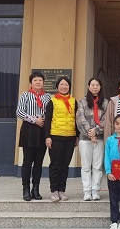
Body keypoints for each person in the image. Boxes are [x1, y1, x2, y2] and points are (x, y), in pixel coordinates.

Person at [16, 72, 52, 201]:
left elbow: (50, 112)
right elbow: (19, 111)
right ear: (31, 82)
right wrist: (34, 120)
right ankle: (26, 189)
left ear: (43, 82)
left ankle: (35, 189)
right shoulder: (25, 95)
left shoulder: (47, 97)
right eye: (35, 80)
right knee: (27, 161)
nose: (38, 82)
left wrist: (44, 120)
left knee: (38, 162)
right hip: (29, 129)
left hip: (42, 130)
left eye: (40, 80)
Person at [44, 76, 77, 202]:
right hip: (56, 136)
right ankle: (54, 191)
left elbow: (76, 120)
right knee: (55, 164)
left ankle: (62, 190)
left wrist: (77, 136)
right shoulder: (52, 102)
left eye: (66, 85)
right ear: (57, 86)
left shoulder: (74, 101)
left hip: (70, 137)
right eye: (62, 84)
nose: (64, 87)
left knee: (65, 165)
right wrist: (47, 137)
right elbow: (47, 120)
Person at [76, 77, 108, 201]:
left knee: (97, 166)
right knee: (86, 166)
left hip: (99, 138)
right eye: (92, 85)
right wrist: (90, 133)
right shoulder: (82, 102)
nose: (95, 87)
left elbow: (106, 119)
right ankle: (86, 191)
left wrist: (96, 131)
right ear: (89, 87)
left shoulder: (105, 102)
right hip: (85, 138)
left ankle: (95, 191)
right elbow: (80, 118)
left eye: (97, 85)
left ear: (100, 87)